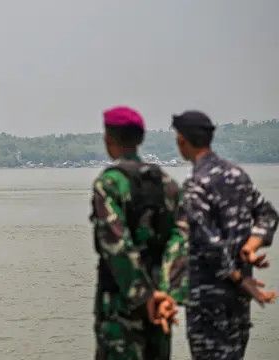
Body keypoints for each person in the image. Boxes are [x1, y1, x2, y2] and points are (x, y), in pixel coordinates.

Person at [171, 110, 278, 359]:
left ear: (182, 141)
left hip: (209, 300)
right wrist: (251, 246)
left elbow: (207, 243)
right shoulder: (236, 175)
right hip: (239, 301)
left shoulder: (196, 184)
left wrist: (239, 279)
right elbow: (268, 215)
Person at [91, 106, 186, 360]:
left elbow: (117, 244)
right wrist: (166, 293)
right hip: (161, 307)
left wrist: (145, 297)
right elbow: (181, 238)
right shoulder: (166, 183)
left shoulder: (109, 184)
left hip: (122, 310)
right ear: (141, 139)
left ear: (108, 139)